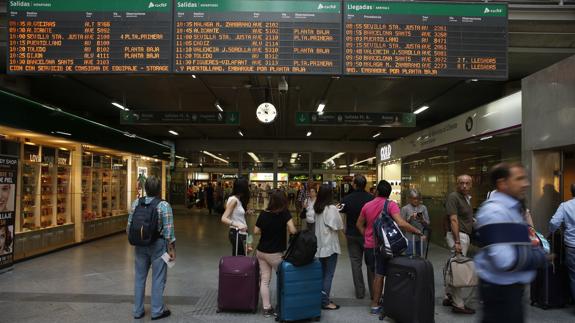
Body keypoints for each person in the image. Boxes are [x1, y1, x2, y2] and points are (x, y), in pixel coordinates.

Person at [475, 163, 549, 323]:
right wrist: (539, 257)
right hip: (500, 292)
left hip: (511, 289)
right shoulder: (494, 212)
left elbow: (521, 243)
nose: (526, 184)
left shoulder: (512, 208)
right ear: (502, 183)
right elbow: (505, 260)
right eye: (519, 179)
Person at [357, 180, 423, 315]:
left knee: (376, 274)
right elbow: (401, 223)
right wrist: (416, 231)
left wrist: (368, 236)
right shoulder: (391, 205)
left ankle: (376, 301)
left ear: (377, 191)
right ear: (389, 193)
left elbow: (359, 224)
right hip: (386, 246)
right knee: (383, 274)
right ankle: (376, 304)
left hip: (370, 246)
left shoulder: (367, 205)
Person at [127, 176, 175, 320]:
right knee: (158, 278)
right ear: (159, 189)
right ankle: (157, 310)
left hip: (140, 246)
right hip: (158, 245)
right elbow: (168, 231)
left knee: (140, 278)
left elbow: (129, 227)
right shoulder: (164, 205)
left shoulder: (136, 203)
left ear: (146, 189)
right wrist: (171, 250)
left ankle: (137, 310)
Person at [253, 189, 297, 317]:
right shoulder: (284, 214)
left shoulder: (263, 213)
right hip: (275, 254)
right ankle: (282, 306)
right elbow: (293, 230)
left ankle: (267, 308)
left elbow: (256, 231)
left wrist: (267, 230)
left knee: (265, 280)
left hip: (261, 252)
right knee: (283, 279)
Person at [443, 174, 476, 314]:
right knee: (459, 270)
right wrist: (457, 242)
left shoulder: (466, 198)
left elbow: (465, 217)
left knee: (453, 266)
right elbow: (454, 220)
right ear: (457, 183)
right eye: (461, 183)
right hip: (459, 236)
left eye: (467, 183)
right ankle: (458, 304)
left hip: (463, 235)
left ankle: (449, 296)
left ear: (471, 185)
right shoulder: (454, 197)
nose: (464, 186)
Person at [340, 174, 374, 299]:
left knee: (355, 263)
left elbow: (340, 213)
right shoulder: (371, 198)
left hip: (352, 234)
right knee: (371, 263)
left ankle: (360, 292)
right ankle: (373, 292)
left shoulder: (347, 199)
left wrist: (343, 227)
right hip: (368, 235)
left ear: (354, 185)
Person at [313, 184, 344, 310]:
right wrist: (336, 211)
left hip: (320, 245)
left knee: (321, 273)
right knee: (329, 274)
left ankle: (319, 297)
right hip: (330, 245)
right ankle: (325, 302)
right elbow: (337, 225)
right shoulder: (331, 208)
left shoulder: (317, 207)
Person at [549, 183, 575, 300]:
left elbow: (554, 223)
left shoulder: (565, 206)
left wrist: (552, 231)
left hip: (572, 246)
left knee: (574, 276)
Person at [221, 178, 250, 256]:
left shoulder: (237, 199)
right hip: (237, 233)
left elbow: (236, 216)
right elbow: (223, 218)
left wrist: (246, 212)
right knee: (238, 259)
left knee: (240, 258)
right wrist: (237, 225)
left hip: (242, 233)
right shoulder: (234, 200)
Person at [400, 189, 430, 256]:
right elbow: (401, 225)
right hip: (409, 237)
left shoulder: (423, 208)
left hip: (421, 236)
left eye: (418, 199)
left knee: (420, 255)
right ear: (410, 199)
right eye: (414, 199)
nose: (416, 201)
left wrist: (422, 220)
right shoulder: (405, 209)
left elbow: (427, 223)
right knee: (409, 256)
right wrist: (410, 218)